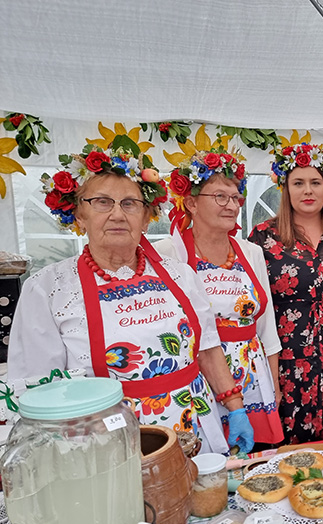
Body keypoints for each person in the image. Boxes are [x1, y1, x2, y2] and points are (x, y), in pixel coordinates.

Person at [8, 139, 253, 454]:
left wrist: (235, 408)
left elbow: (207, 349)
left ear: (147, 217)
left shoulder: (181, 275)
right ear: (78, 215)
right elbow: (40, 388)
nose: (117, 215)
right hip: (107, 442)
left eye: (129, 204)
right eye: (102, 202)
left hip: (195, 431)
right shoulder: (47, 289)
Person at [155, 149, 284, 447]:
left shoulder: (250, 252)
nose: (232, 206)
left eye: (235, 198)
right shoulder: (168, 254)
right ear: (191, 203)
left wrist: (274, 384)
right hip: (202, 380)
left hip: (253, 379)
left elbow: (267, 327)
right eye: (220, 197)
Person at [248, 143, 323, 444]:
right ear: (285, 188)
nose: (307, 191)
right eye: (298, 183)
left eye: (315, 182)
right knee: (292, 452)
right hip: (287, 360)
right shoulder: (263, 236)